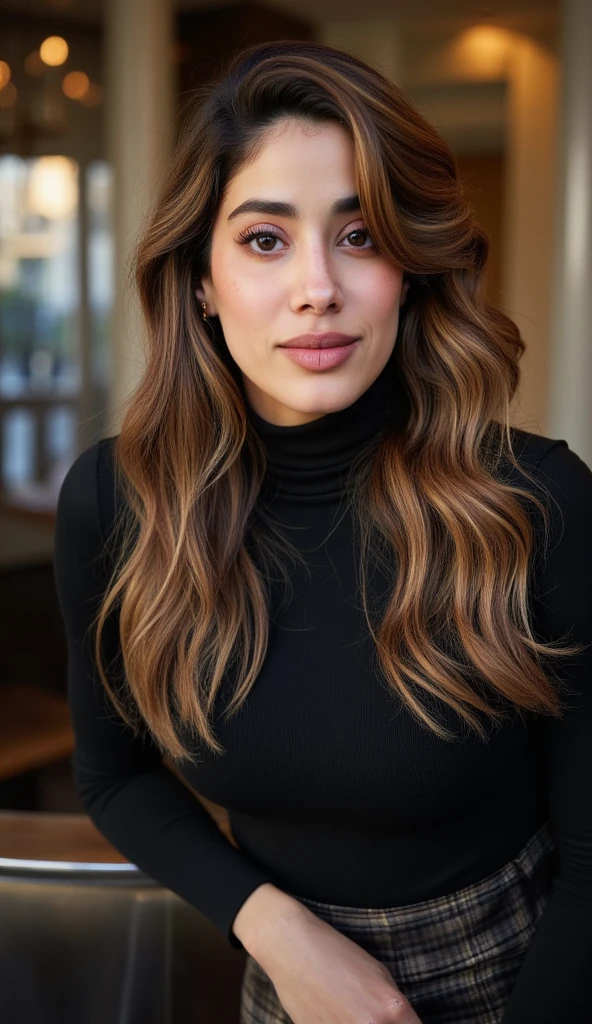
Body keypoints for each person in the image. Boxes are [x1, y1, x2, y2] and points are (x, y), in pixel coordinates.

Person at [53, 39, 592, 1024]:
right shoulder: (116, 502)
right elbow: (114, 774)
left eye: (359, 236)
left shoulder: (537, 500)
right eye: (265, 239)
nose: (317, 287)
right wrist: (276, 929)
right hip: (290, 991)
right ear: (203, 281)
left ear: (410, 269)